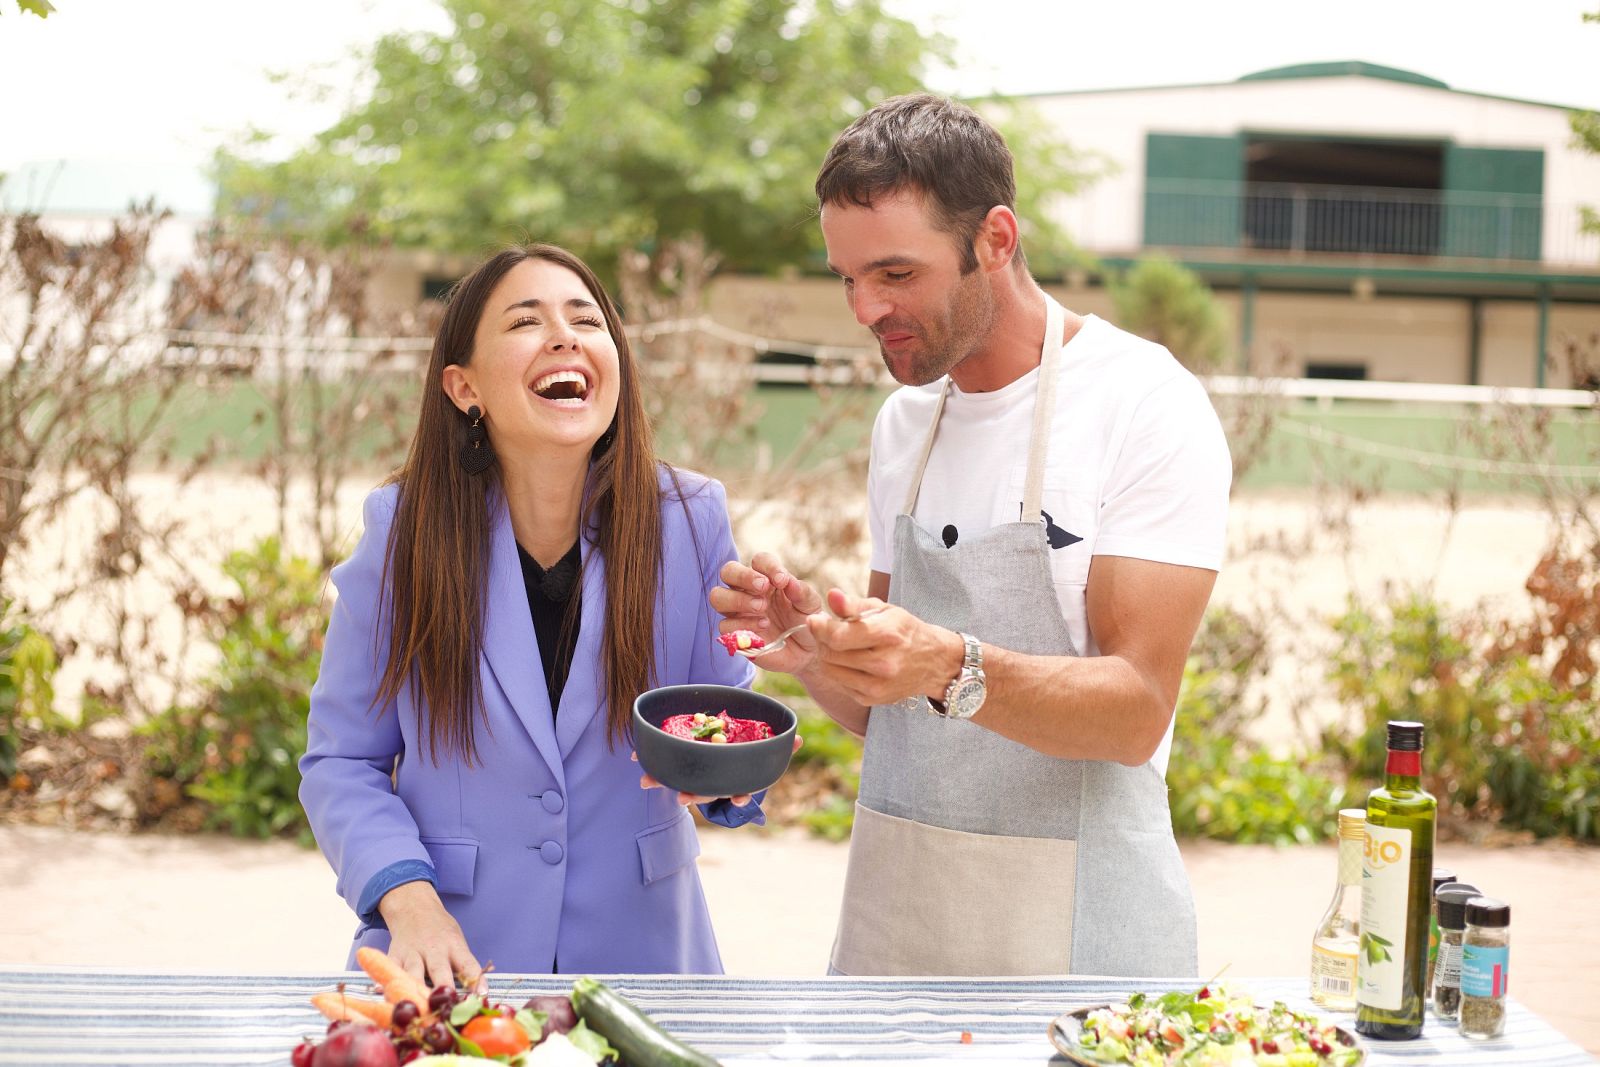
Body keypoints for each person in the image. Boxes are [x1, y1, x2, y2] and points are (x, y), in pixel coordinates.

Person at [711, 94, 1231, 978]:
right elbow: (894, 720)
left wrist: (948, 662)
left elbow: (1138, 707)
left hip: (1079, 950)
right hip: (901, 934)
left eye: (896, 274)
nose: (865, 308)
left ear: (995, 238)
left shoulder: (1144, 402)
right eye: (846, 278)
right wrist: (811, 648)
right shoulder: (904, 424)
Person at [300, 244, 769, 989]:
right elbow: (342, 760)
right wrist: (409, 901)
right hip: (449, 960)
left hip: (648, 965)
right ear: (464, 387)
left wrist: (735, 765)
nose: (564, 335)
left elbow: (712, 737)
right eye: (526, 320)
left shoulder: (690, 518)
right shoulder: (402, 530)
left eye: (587, 319)